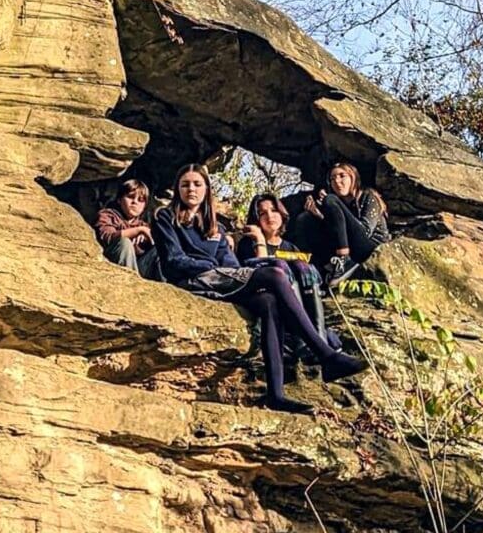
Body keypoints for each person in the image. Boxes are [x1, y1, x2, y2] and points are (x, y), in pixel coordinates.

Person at [153, 163, 368, 414]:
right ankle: (326, 355)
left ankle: (275, 395)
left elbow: (230, 264)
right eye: (185, 184)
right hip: (192, 280)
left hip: (222, 280)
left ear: (206, 189)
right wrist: (210, 263)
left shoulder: (216, 227)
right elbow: (173, 260)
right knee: (275, 274)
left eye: (197, 184)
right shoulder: (165, 217)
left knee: (269, 302)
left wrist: (227, 265)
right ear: (178, 189)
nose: (191, 189)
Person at [236, 193, 334, 348]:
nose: (270, 216)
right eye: (262, 213)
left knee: (304, 268)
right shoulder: (247, 244)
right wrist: (260, 241)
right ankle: (302, 341)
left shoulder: (290, 247)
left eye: (274, 210)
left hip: (302, 303)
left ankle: (319, 340)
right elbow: (257, 274)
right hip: (270, 300)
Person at [294, 162, 390, 288]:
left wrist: (333, 205)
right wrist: (319, 215)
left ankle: (344, 259)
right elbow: (338, 232)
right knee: (306, 218)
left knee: (330, 200)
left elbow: (365, 231)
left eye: (342, 176)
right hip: (350, 246)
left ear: (353, 177)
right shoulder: (339, 203)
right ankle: (318, 269)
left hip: (370, 247)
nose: (337, 181)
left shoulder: (368, 196)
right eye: (332, 179)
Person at [94, 179, 162, 281]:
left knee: (160, 248)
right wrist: (137, 231)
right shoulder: (108, 215)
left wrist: (148, 238)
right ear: (119, 199)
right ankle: (131, 284)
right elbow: (106, 236)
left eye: (140, 200)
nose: (135, 202)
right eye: (130, 197)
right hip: (113, 266)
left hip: (140, 269)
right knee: (124, 243)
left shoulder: (143, 225)